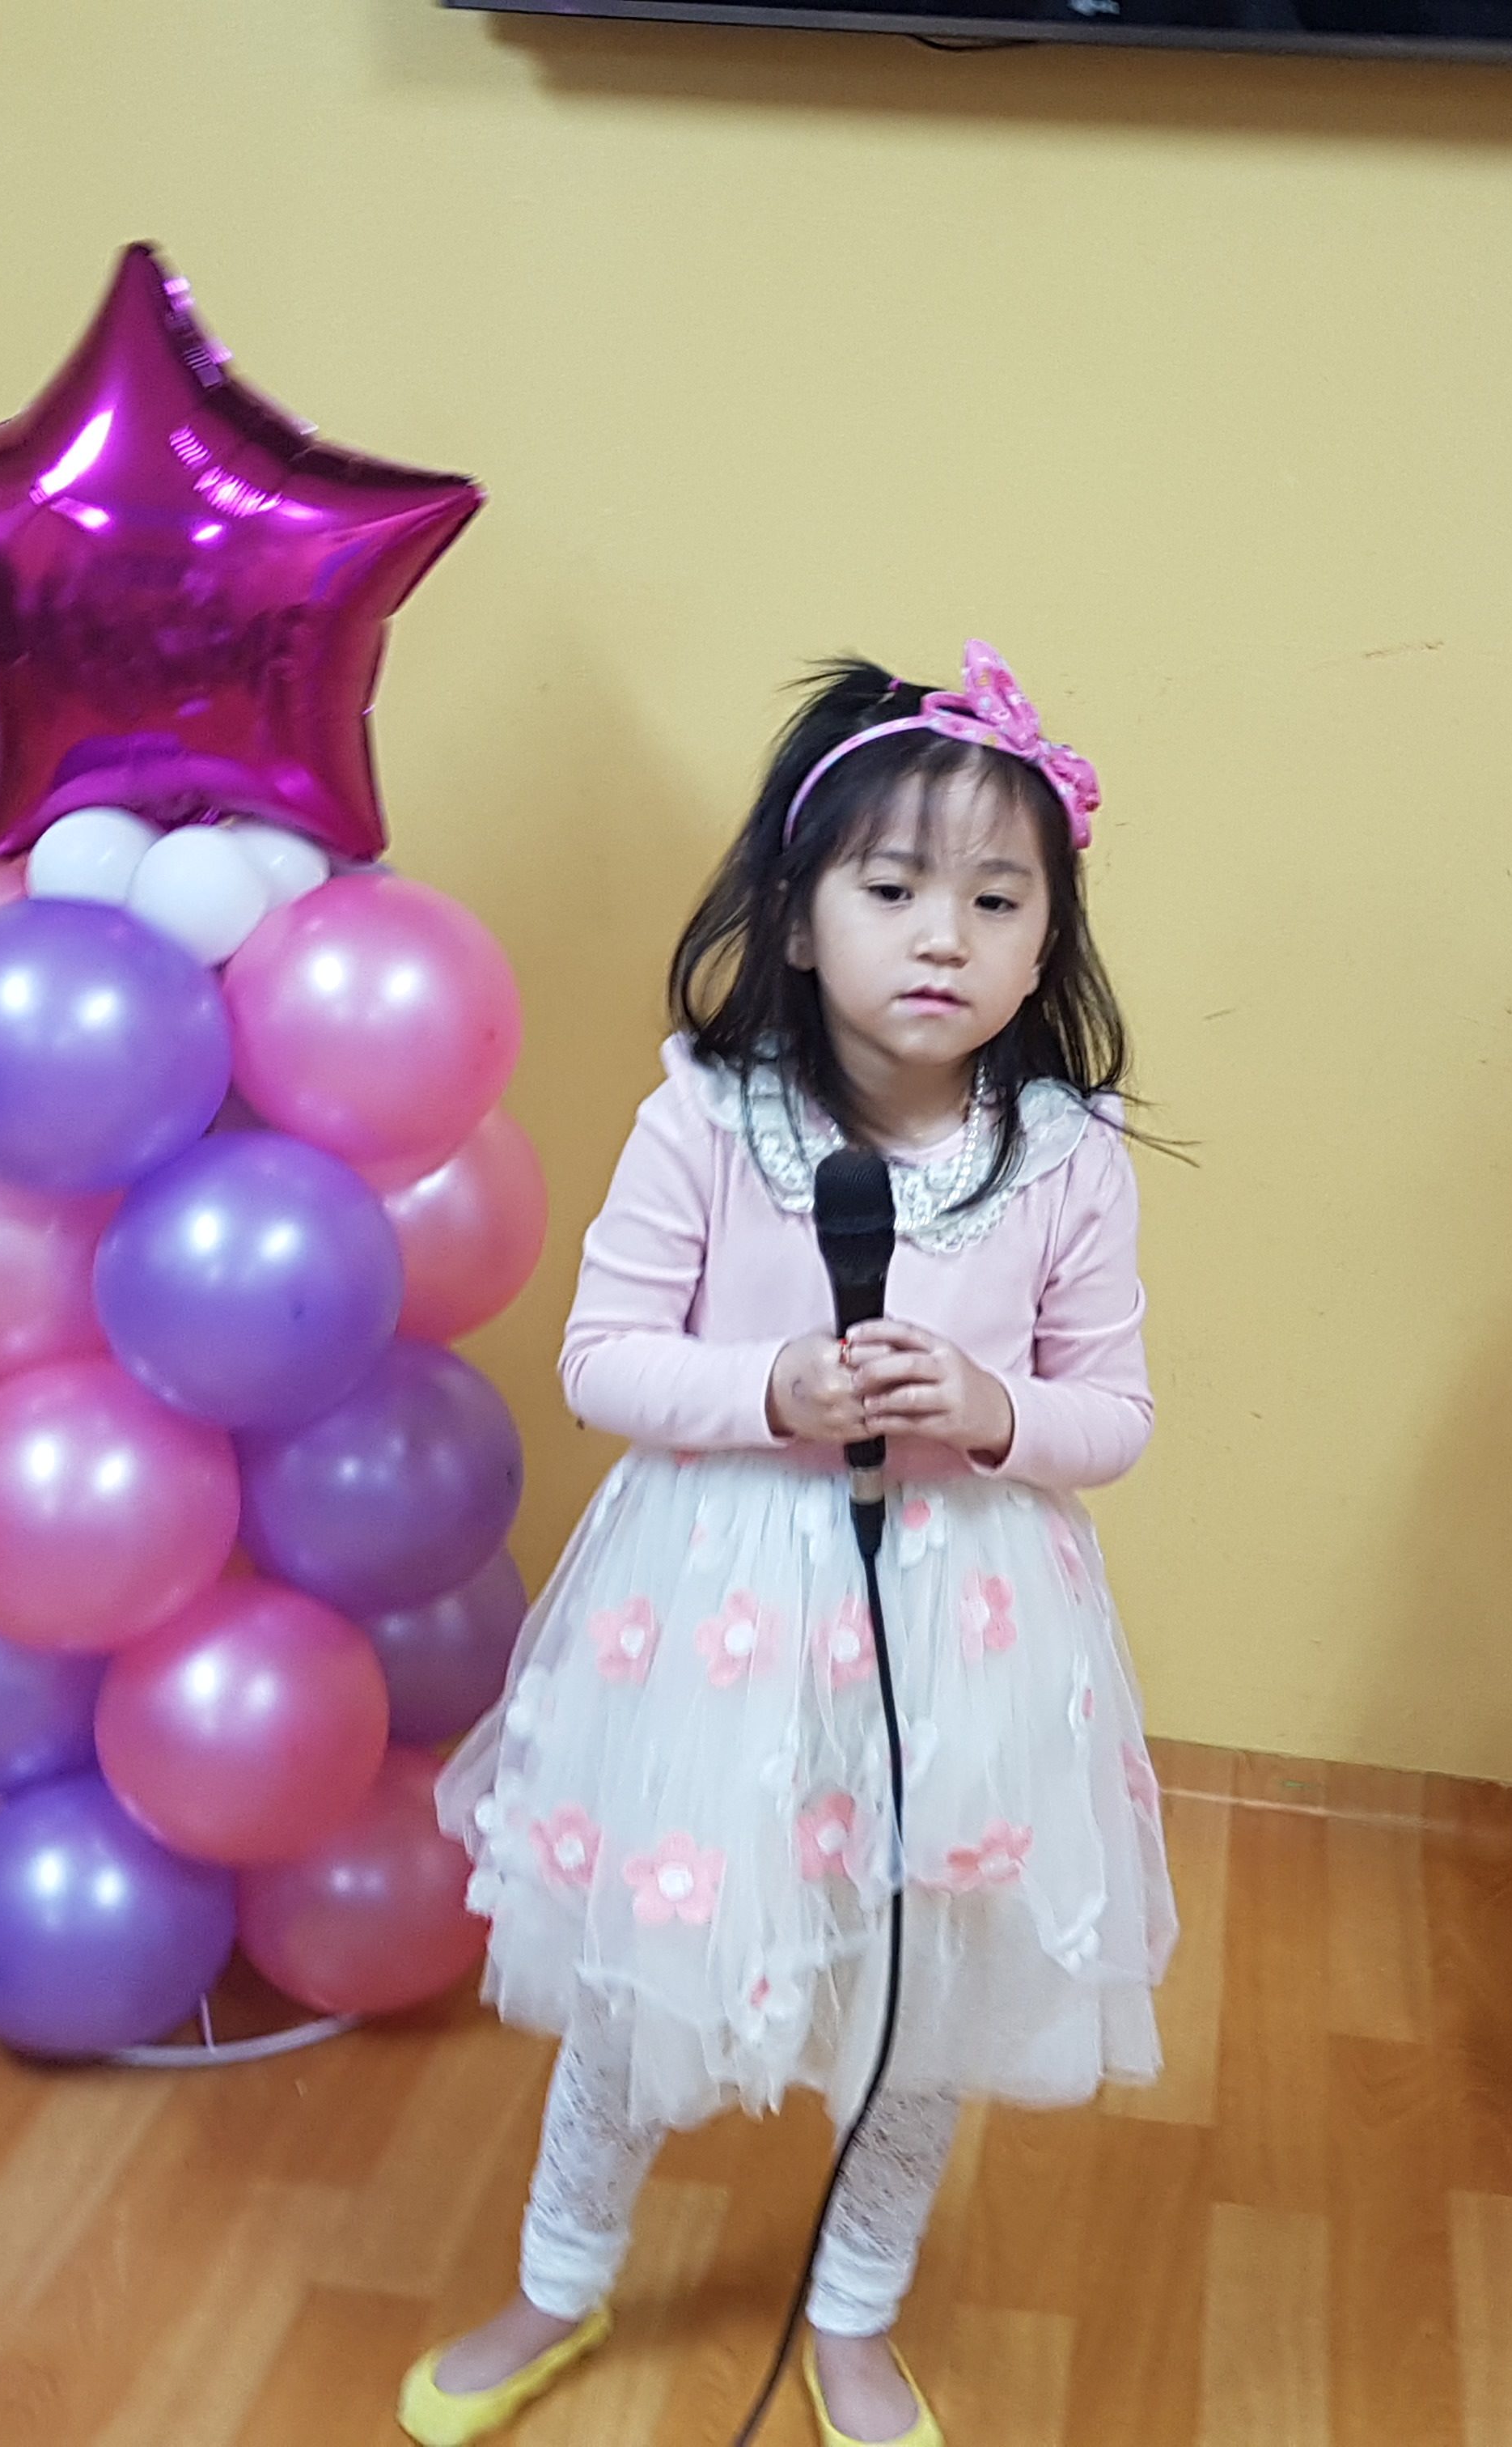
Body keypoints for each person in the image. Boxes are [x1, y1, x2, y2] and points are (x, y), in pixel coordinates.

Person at [399, 646, 1175, 2447]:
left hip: (969, 1624)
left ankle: (853, 2314)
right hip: (717, 1619)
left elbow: (1116, 1414)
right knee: (651, 1963)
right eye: (892, 890)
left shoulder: (1066, 1158)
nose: (943, 937)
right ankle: (560, 2278)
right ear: (802, 918)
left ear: (1047, 944)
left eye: (997, 901)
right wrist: (772, 1386)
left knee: (917, 1988)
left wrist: (990, 1405)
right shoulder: (706, 1117)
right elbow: (602, 1359)